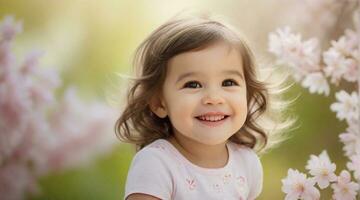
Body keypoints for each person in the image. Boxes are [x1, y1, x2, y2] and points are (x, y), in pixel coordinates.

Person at [115, 12, 295, 200]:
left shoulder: (247, 163)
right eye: (193, 84)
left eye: (228, 82)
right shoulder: (156, 164)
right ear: (159, 103)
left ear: (248, 95)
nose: (214, 98)